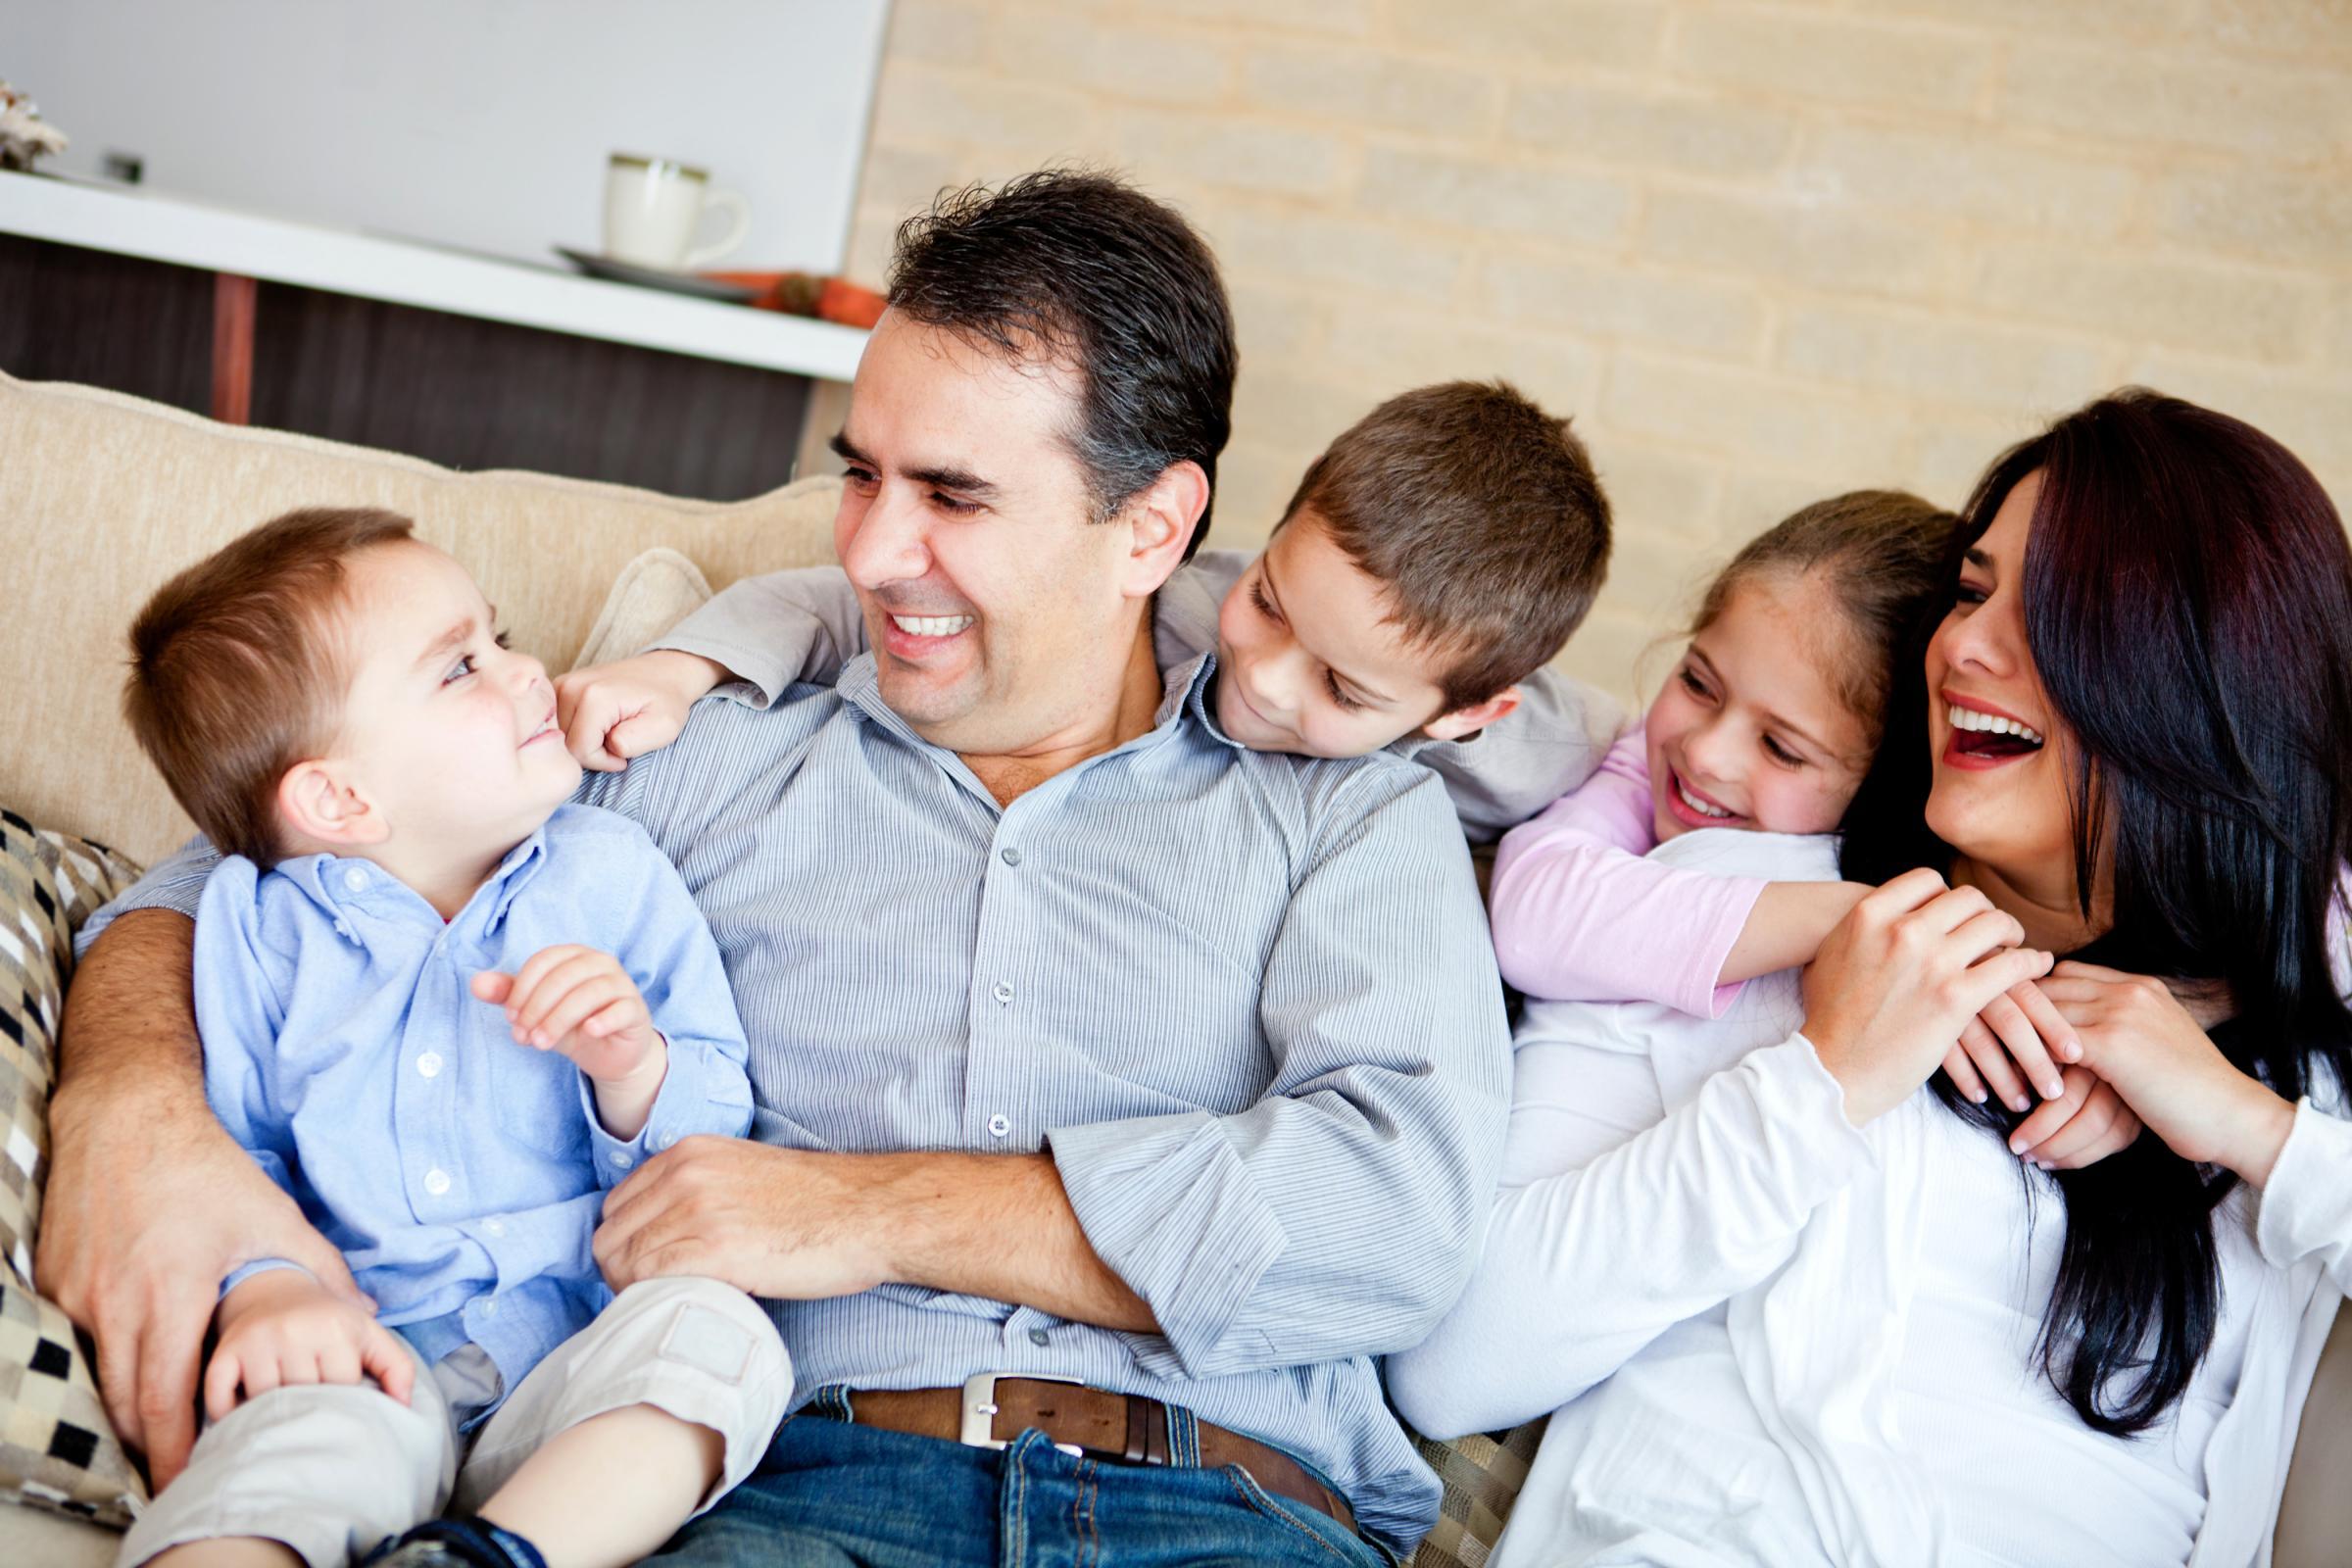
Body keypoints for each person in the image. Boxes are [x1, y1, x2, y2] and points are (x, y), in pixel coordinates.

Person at [43, 171, 1516, 1565]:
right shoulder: (697, 750)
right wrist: (135, 1105)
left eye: (953, 495)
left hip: (1231, 1504)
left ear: (1153, 527)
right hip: (803, 1493)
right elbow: (263, 858)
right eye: (859, 474)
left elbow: (1392, 1219)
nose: (873, 552)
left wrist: (860, 1209)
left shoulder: (1345, 812)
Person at [1392, 389, 2352, 1568]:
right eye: (1975, 589)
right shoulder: (1733, 912)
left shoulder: (2293, 1085)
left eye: (2053, 610)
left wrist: (2248, 1124)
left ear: (2202, 688)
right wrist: (1826, 1076)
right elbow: (1456, 1361)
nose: (1965, 646)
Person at [107, 508, 788, 1568]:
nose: (530, 673)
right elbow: (229, 1150)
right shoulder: (254, 927)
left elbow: (714, 1136)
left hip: (573, 1374)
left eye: (503, 637)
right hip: (368, 1351)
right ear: (340, 795)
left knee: (721, 1337)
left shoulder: (610, 872)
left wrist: (632, 1066)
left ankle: (491, 1557)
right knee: (279, 1455)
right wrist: (270, 1288)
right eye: (462, 667)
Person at [556, 377, 1617, 845]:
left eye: (1342, 686)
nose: (1265, 678)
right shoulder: (1187, 605)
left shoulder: (1542, 759)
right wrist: (684, 670)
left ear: (1465, 715)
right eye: (1273, 603)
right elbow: (842, 605)